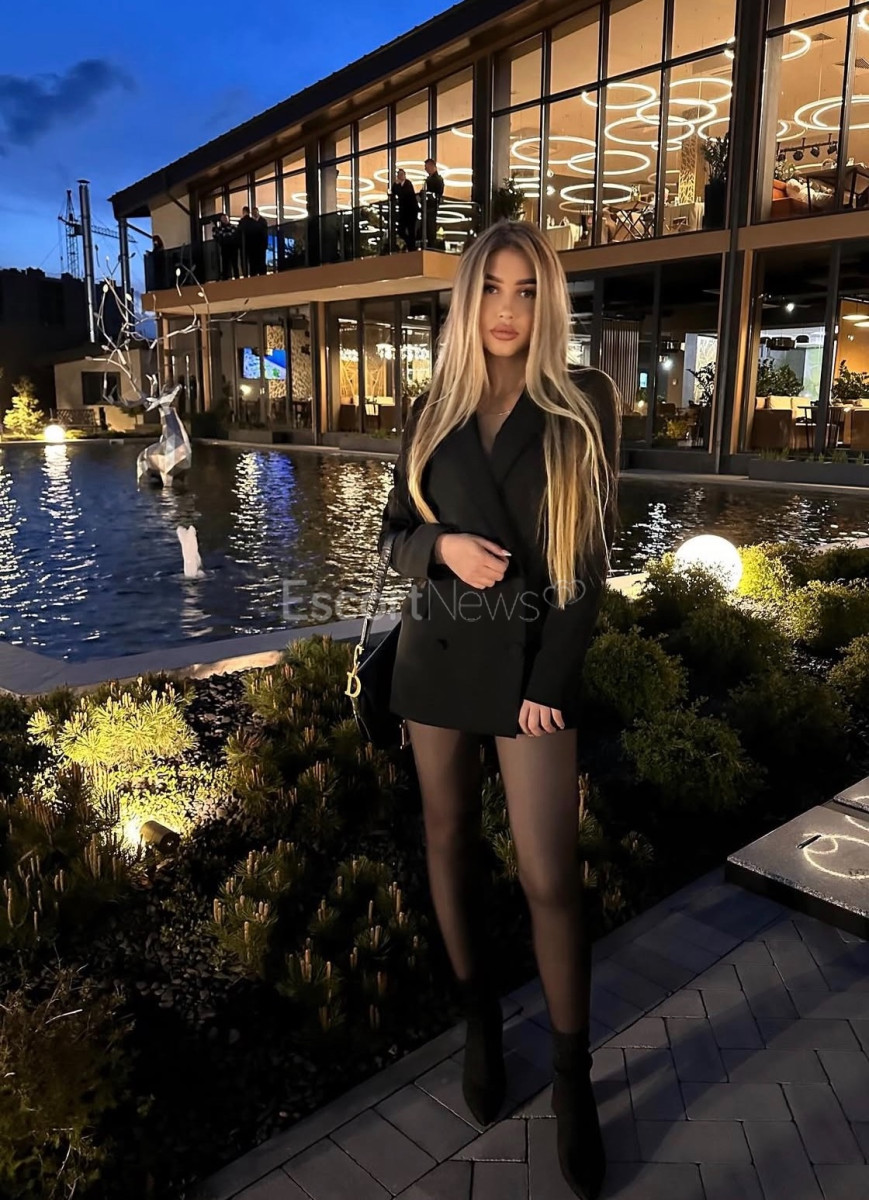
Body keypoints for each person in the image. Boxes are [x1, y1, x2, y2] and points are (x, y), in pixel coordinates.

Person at [378, 220, 620, 1200]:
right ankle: (479, 1023)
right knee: (447, 844)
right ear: (467, 298)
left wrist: (548, 683)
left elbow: (588, 561)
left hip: (529, 671)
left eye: (526, 290)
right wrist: (438, 549)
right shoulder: (430, 407)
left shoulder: (581, 403)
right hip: (435, 657)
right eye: (491, 288)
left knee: (547, 876)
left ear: (546, 301)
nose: (507, 309)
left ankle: (570, 1076)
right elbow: (390, 534)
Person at [391, 168, 419, 251]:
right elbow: (393, 192)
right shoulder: (397, 185)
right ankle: (410, 244)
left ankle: (412, 247)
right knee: (401, 230)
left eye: (402, 174)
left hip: (411, 211)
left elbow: (403, 193)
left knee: (411, 229)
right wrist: (395, 184)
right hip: (403, 212)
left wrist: (397, 186)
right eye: (399, 175)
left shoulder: (408, 183)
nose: (400, 176)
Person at [419, 157, 445, 249]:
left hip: (431, 208)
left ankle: (431, 247)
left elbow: (438, 193)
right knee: (426, 229)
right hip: (427, 208)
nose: (425, 169)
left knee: (430, 229)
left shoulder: (437, 179)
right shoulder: (429, 179)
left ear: (431, 166)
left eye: (426, 167)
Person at [213, 213, 240, 280]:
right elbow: (216, 237)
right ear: (221, 220)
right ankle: (225, 279)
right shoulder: (219, 229)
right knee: (225, 265)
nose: (225, 220)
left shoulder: (233, 227)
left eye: (226, 218)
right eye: (223, 219)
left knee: (234, 264)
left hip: (233, 248)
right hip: (224, 248)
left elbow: (236, 236)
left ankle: (237, 278)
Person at [236, 206, 258, 276]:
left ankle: (245, 274)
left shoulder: (242, 222)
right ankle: (253, 274)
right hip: (253, 244)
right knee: (252, 261)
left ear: (243, 212)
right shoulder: (253, 222)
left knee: (244, 261)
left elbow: (238, 234)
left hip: (243, 245)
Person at [252, 206, 270, 275]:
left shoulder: (262, 221)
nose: (254, 214)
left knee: (262, 259)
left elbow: (265, 233)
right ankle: (257, 272)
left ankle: (262, 272)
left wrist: (265, 244)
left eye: (255, 212)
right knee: (256, 259)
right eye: (253, 213)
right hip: (255, 245)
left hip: (261, 244)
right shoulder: (252, 222)